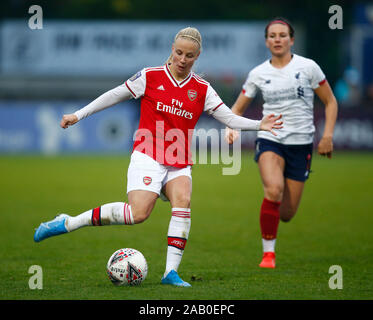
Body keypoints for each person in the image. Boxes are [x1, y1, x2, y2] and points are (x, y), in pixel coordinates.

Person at [33, 27, 283, 286]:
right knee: (138, 214)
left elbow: (228, 118)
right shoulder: (150, 76)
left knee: (183, 201)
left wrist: (259, 124)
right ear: (171, 50)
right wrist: (78, 114)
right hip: (148, 154)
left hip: (179, 159)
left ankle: (170, 273)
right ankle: (69, 222)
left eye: (189, 55)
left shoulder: (202, 89)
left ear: (197, 56)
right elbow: (113, 95)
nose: (182, 59)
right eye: (178, 53)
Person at [226, 18, 338, 269]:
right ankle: (268, 255)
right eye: (272, 35)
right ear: (266, 41)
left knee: (286, 213)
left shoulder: (308, 67)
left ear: (292, 40)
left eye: (282, 35)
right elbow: (238, 107)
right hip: (270, 139)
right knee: (273, 189)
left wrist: (327, 135)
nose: (277, 39)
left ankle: (274, 221)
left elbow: (330, 101)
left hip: (301, 144)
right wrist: (231, 125)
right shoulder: (258, 73)